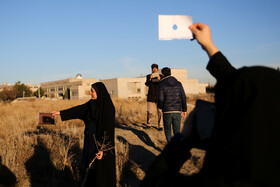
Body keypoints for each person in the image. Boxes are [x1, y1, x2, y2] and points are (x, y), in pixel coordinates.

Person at [140, 22, 280, 187]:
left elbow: (154, 182)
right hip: (178, 109)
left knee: (171, 131)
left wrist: (183, 140)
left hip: (168, 110)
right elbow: (243, 85)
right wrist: (209, 46)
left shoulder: (217, 180)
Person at [52, 82, 116, 187]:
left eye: (92, 91)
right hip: (89, 143)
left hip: (101, 146)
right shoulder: (90, 104)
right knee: (89, 169)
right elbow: (77, 110)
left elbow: (108, 131)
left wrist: (103, 149)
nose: (90, 93)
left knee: (101, 173)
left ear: (99, 92)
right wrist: (60, 113)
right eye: (91, 91)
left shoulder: (108, 109)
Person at [157, 67, 187, 142]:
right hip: (177, 110)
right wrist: (184, 110)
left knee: (167, 130)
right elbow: (183, 97)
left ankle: (170, 149)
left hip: (167, 111)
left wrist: (160, 107)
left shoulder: (161, 84)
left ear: (162, 75)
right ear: (170, 73)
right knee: (177, 131)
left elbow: (160, 99)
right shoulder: (178, 83)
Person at [145, 63, 164, 130]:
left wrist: (160, 79)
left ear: (157, 69)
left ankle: (160, 126)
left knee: (160, 112)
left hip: (159, 97)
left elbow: (164, 85)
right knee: (150, 111)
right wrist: (150, 79)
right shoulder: (148, 76)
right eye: (153, 68)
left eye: (155, 68)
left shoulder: (161, 76)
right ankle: (148, 124)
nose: (154, 69)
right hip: (151, 96)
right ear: (151, 69)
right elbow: (147, 84)